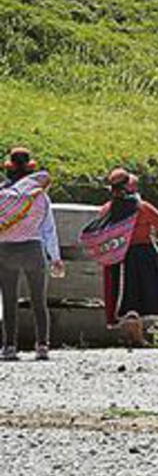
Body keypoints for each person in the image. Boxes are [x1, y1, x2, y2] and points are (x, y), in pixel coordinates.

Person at [96, 170, 158, 347]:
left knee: (125, 296)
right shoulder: (142, 207)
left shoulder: (106, 210)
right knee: (144, 295)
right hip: (143, 254)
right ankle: (138, 336)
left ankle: (131, 335)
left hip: (118, 258)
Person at [0, 148, 63, 361]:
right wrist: (55, 257)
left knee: (9, 301)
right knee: (38, 300)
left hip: (6, 250)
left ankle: (9, 347)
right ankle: (42, 346)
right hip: (33, 250)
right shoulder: (40, 197)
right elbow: (48, 229)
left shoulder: (2, 195)